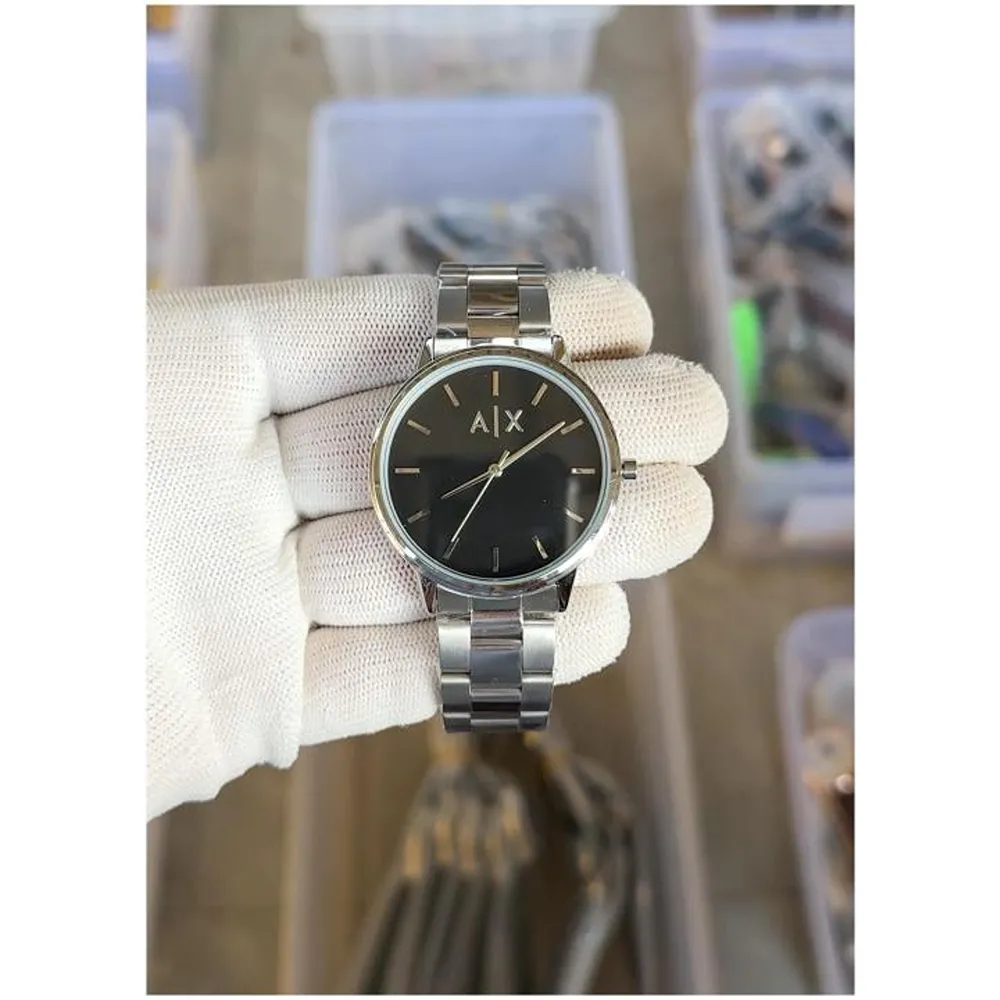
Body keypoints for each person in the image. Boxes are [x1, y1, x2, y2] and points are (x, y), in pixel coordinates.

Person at [147, 271, 728, 819]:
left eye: (502, 466)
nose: (495, 469)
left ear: (614, 472)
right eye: (492, 466)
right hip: (457, 544)